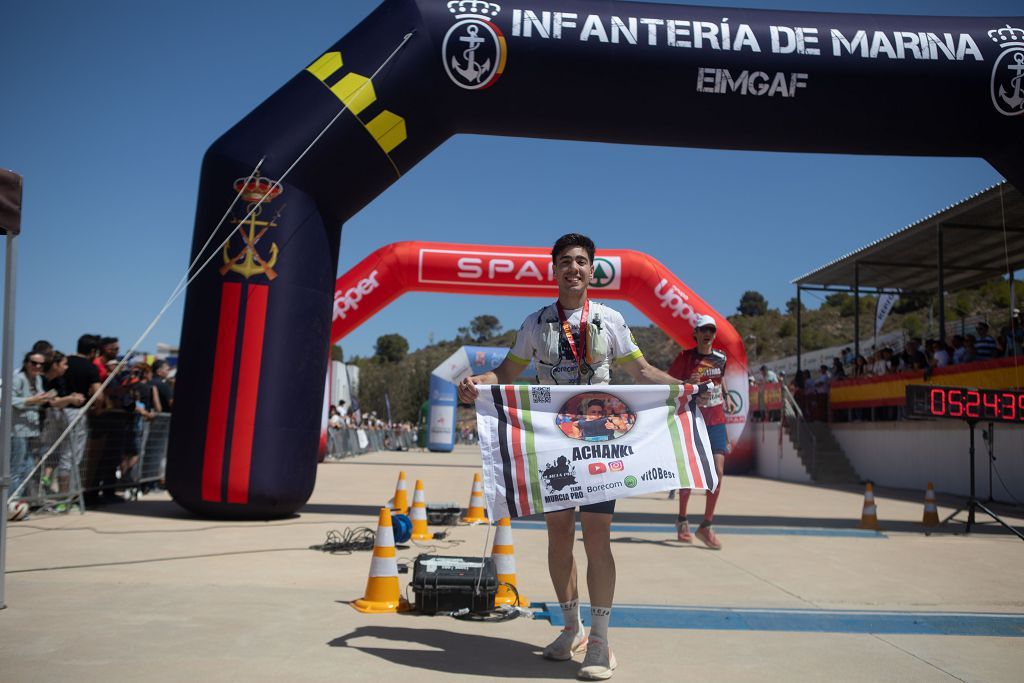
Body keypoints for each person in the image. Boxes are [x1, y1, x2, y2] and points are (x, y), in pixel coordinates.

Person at [457, 233, 702, 680]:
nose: (574, 267)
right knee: (557, 539)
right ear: (554, 270)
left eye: (582, 261)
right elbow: (507, 372)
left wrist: (686, 390)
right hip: (553, 442)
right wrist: (478, 381)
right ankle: (572, 628)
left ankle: (602, 642)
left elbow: (642, 371)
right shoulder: (535, 323)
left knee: (596, 538)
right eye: (566, 261)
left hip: (597, 442)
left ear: (593, 271)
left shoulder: (610, 320)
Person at [667, 314, 733, 550]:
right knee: (690, 472)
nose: (708, 334)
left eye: (711, 331)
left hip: (715, 419)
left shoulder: (720, 358)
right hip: (692, 419)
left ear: (715, 335)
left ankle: (706, 524)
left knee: (718, 471)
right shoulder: (685, 357)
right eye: (703, 330)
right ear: (695, 333)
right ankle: (682, 520)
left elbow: (720, 378)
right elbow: (670, 383)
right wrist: (687, 381)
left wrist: (725, 395)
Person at [10, 351, 51, 497]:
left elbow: (37, 400)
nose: (38, 366)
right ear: (26, 363)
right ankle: (10, 502)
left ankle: (18, 500)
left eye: (41, 364)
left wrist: (44, 399)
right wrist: (31, 401)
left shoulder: (38, 380)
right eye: (34, 363)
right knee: (15, 468)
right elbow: (7, 399)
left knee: (28, 468)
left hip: (32, 429)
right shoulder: (17, 378)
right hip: (16, 430)